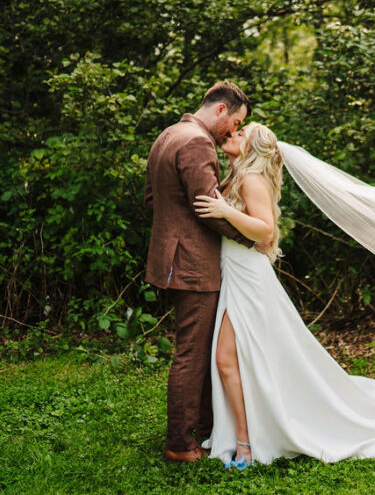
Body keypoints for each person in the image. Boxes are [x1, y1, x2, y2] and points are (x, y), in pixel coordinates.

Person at [194, 123, 375, 467]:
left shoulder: (251, 179)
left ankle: (245, 443)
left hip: (249, 279)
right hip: (237, 276)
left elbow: (266, 229)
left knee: (230, 360)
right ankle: (244, 435)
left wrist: (226, 211)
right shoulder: (236, 175)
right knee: (240, 360)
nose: (233, 134)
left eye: (242, 133)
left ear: (254, 148)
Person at [144, 81, 257, 463]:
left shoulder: (169, 134)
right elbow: (209, 209)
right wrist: (252, 240)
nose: (233, 131)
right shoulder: (197, 142)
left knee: (201, 346)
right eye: (236, 121)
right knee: (192, 352)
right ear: (222, 110)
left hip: (175, 257)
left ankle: (209, 427)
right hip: (193, 262)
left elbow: (153, 198)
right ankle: (179, 442)